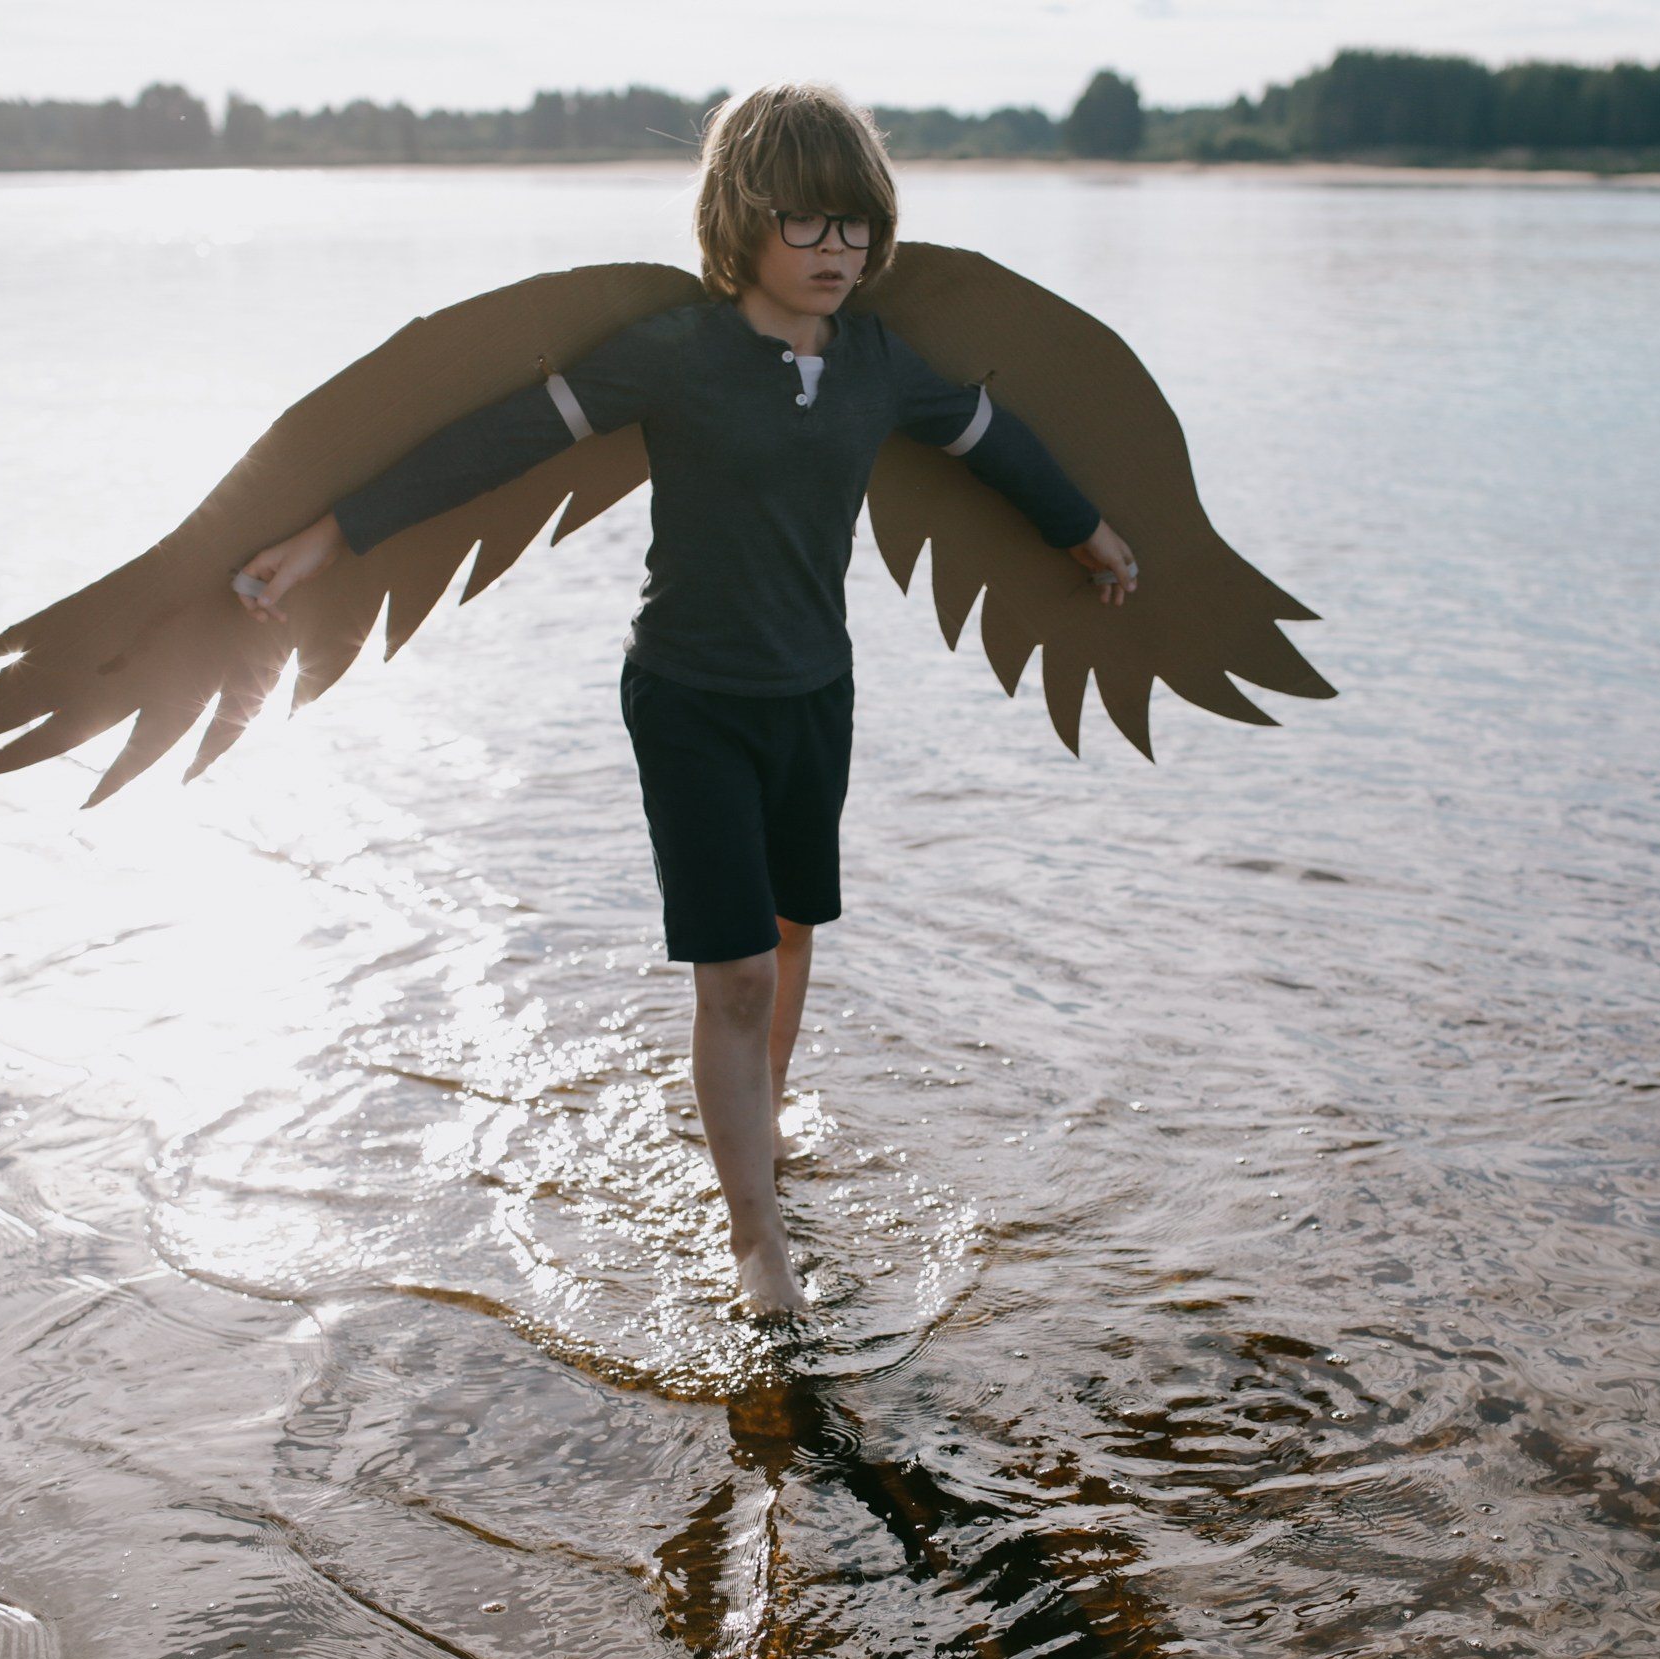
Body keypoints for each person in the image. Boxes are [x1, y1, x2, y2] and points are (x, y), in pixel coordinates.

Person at [224, 84, 1137, 1316]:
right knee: (739, 973)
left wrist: (1088, 537)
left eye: (856, 228)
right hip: (691, 697)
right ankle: (755, 1237)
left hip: (816, 694)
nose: (838, 253)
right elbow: (497, 443)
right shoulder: (676, 354)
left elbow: (996, 442)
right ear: (743, 220)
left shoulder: (875, 364)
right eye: (809, 226)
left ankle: (749, 1130)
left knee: (796, 933)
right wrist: (328, 537)